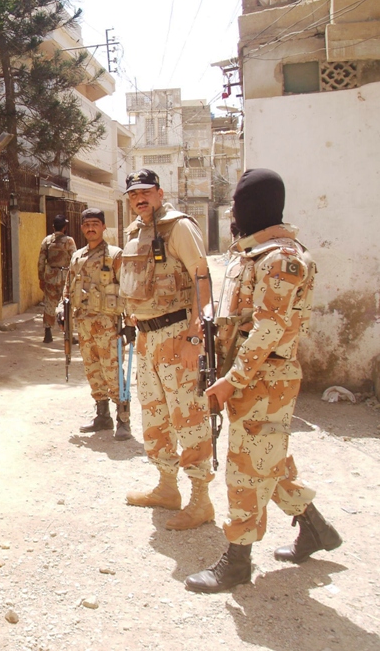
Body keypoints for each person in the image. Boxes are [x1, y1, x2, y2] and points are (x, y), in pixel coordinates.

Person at [185, 169, 341, 593]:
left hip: (264, 379)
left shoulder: (281, 259)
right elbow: (243, 319)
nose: (233, 212)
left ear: (255, 205)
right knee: (266, 458)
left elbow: (268, 329)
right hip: (249, 376)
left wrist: (231, 381)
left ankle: (237, 561)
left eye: (237, 203)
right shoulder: (253, 253)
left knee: (246, 469)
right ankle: (315, 526)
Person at [119, 168, 214, 530]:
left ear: (159, 193)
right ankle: (166, 487)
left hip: (177, 334)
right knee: (155, 415)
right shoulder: (135, 233)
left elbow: (201, 279)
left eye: (145, 192)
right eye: (132, 195)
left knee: (187, 415)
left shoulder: (179, 227)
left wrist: (195, 335)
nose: (139, 199)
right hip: (146, 336)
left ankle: (201, 500)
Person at [63, 208, 131, 440]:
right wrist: (62, 310)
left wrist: (130, 322)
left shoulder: (114, 255)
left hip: (108, 325)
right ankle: (103, 416)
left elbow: (128, 289)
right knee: (93, 371)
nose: (91, 228)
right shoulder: (77, 256)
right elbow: (69, 285)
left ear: (103, 227)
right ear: (82, 228)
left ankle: (123, 420)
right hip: (83, 324)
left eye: (95, 223)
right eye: (87, 224)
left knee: (113, 372)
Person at [39, 215, 76, 343]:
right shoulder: (69, 241)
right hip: (65, 276)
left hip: (50, 276)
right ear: (65, 227)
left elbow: (41, 261)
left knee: (49, 304)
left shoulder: (47, 241)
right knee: (66, 304)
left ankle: (47, 332)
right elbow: (75, 260)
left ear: (53, 227)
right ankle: (68, 334)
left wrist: (41, 278)